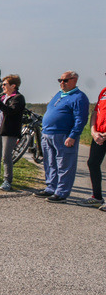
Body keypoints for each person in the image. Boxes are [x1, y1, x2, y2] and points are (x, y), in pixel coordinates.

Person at [36, 71, 90, 203]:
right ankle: (51, 187)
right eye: (60, 80)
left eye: (65, 80)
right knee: (50, 163)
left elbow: (80, 119)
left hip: (64, 135)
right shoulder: (59, 95)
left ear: (74, 80)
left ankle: (62, 192)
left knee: (64, 164)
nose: (62, 83)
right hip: (48, 134)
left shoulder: (79, 97)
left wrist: (73, 135)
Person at [0, 74, 25, 191]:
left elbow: (10, 111)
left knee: (6, 156)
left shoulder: (18, 98)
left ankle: (7, 181)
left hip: (9, 130)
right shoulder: (3, 97)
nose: (2, 86)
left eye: (5, 84)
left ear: (13, 86)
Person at [79, 70, 106, 210]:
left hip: (104, 134)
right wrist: (94, 132)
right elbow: (95, 113)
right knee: (92, 163)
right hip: (98, 135)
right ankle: (97, 197)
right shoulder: (103, 92)